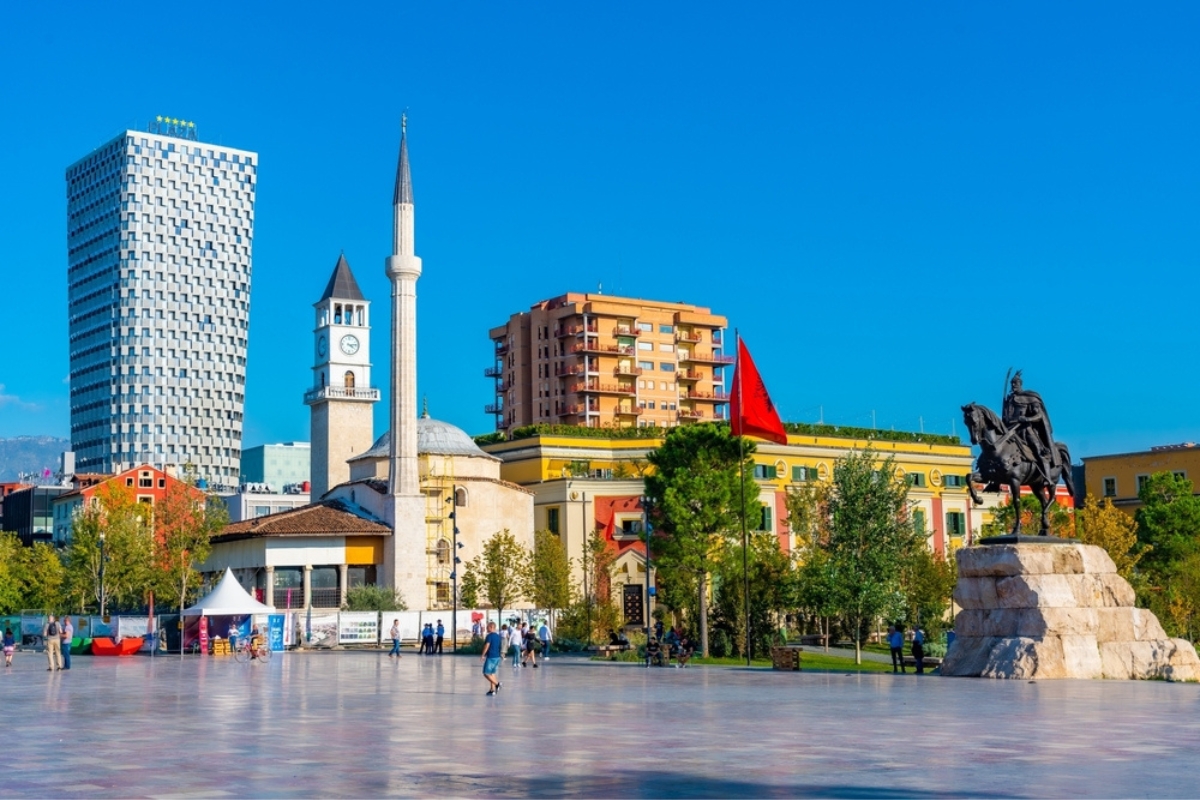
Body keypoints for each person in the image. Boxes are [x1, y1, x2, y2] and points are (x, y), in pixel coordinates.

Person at [480, 621, 504, 696]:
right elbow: (500, 646)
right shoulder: (498, 636)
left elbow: (487, 646)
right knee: (492, 673)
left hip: (491, 656)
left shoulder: (489, 636)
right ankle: (492, 690)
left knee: (486, 673)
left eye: (487, 627)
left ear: (491, 627)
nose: (486, 629)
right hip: (497, 656)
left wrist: (483, 655)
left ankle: (497, 684)